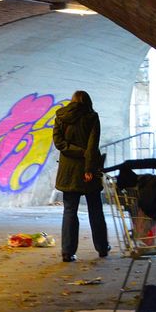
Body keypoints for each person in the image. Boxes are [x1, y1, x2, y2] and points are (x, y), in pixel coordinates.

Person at [52, 90, 110, 262]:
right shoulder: (91, 117)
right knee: (95, 209)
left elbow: (59, 143)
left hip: (68, 171)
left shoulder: (61, 116)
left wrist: (77, 151)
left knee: (70, 210)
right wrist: (88, 167)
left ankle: (67, 252)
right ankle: (102, 248)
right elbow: (93, 145)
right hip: (88, 169)